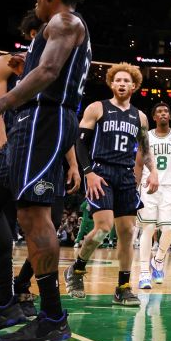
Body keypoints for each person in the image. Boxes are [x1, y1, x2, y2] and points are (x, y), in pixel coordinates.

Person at [0, 0, 92, 341]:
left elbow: (50, 71)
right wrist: (26, 69)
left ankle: (51, 315)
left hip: (43, 121)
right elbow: (44, 66)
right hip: (30, 124)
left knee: (33, 215)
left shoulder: (66, 21)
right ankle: (6, 302)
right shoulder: (56, 29)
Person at [65, 62, 158, 306]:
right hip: (100, 173)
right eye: (118, 80)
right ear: (111, 83)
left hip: (126, 175)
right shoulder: (97, 108)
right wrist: (88, 173)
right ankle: (77, 269)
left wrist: (154, 172)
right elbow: (80, 143)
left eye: (127, 81)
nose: (122, 83)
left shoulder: (140, 117)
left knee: (127, 233)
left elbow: (146, 151)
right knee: (104, 228)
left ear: (134, 86)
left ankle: (123, 286)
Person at [134, 102, 171, 287]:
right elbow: (139, 163)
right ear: (154, 117)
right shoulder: (145, 137)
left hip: (169, 187)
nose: (163, 114)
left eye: (166, 111)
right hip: (148, 186)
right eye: (159, 112)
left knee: (169, 230)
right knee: (148, 228)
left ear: (170, 116)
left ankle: (158, 260)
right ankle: (144, 273)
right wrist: (136, 186)